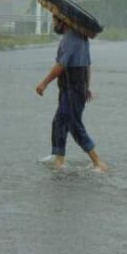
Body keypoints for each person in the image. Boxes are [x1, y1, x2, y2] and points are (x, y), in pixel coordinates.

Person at [35, 16, 108, 172]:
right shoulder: (80, 37)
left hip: (72, 88)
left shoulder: (70, 39)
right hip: (73, 87)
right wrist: (87, 87)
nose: (53, 23)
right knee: (59, 121)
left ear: (64, 21)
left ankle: (98, 162)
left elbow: (60, 66)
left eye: (55, 20)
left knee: (74, 125)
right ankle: (58, 158)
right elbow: (88, 65)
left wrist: (44, 83)